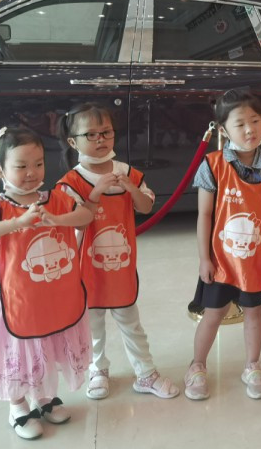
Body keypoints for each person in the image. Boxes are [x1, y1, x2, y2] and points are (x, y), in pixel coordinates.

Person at [0, 127, 95, 440]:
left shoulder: (57, 198)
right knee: (18, 352)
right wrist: (17, 223)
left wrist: (58, 220)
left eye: (38, 163)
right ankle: (18, 406)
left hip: (51, 298)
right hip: (15, 300)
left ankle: (44, 397)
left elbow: (86, 216)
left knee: (45, 347)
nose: (32, 172)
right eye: (21, 166)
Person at [57, 104, 179, 400]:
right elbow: (75, 221)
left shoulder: (128, 173)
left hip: (121, 269)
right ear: (73, 141)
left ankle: (146, 373)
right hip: (86, 270)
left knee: (131, 322)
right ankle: (98, 370)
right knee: (93, 325)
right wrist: (96, 192)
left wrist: (131, 188)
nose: (100, 139)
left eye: (106, 132)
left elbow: (146, 207)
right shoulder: (71, 182)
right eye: (91, 134)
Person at [184, 90, 261, 401]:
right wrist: (204, 258)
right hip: (221, 260)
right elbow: (204, 215)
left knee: (255, 311)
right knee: (214, 313)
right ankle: (197, 365)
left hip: (256, 259)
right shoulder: (212, 165)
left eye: (255, 121)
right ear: (223, 130)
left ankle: (252, 365)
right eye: (240, 124)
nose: (249, 129)